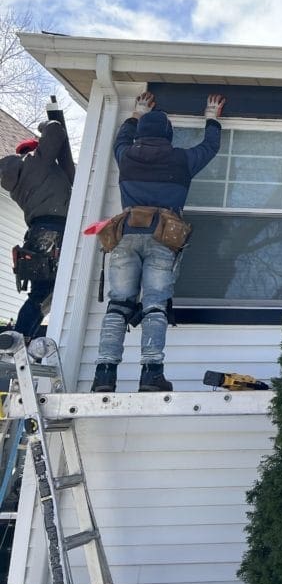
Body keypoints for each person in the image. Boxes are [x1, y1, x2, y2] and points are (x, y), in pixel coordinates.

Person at [91, 92, 225, 393]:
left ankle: (104, 375)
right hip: (163, 238)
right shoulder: (181, 160)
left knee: (118, 305)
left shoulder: (126, 156)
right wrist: (211, 116)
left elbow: (120, 139)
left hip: (125, 236)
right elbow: (209, 147)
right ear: (168, 134)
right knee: (154, 305)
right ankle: (151, 375)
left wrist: (136, 112)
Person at [0, 117, 75, 349]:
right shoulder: (36, 163)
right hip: (56, 231)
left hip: (35, 235)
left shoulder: (14, 182)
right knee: (49, 291)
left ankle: (21, 337)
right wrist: (45, 125)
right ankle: (21, 334)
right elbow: (55, 131)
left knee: (41, 293)